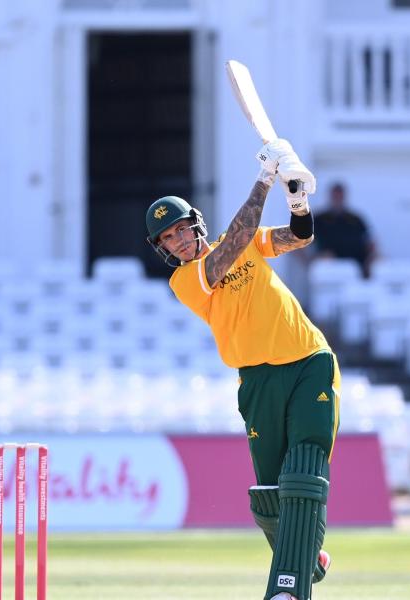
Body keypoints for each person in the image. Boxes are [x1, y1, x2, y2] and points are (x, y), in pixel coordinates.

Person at [145, 139, 339, 600]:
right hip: (257, 381)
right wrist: (264, 178)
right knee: (271, 494)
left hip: (308, 360)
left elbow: (300, 236)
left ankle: (287, 590)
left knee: (303, 473)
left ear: (195, 225)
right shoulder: (185, 281)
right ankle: (308, 559)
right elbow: (230, 247)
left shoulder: (248, 241)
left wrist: (297, 199)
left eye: (180, 230)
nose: (177, 241)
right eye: (167, 239)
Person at [311, 182, 377, 278]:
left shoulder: (356, 219)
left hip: (358, 266)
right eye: (335, 196)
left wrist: (372, 258)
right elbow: (300, 243)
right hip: (331, 266)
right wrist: (312, 261)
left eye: (340, 196)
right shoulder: (319, 219)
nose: (338, 199)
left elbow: (370, 242)